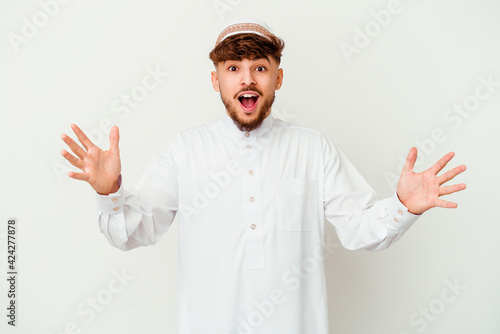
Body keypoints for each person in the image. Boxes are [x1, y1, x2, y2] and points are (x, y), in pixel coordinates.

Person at [60, 19, 466, 334]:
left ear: (278, 78)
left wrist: (402, 207)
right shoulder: (184, 151)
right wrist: (110, 192)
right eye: (233, 67)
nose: (247, 79)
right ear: (216, 79)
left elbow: (361, 229)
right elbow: (133, 233)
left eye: (260, 67)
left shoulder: (313, 149)